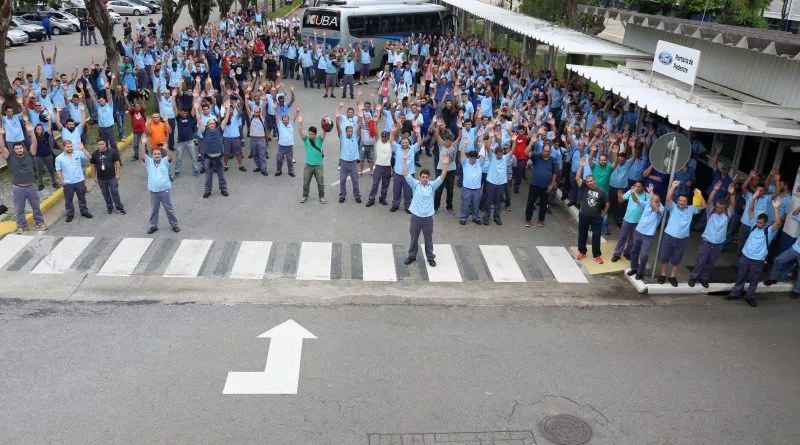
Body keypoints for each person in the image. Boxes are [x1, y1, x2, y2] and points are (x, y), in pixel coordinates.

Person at [726, 198, 782, 307]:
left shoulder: (768, 231)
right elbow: (750, 211)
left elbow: (778, 222)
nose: (758, 224)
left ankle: (750, 297)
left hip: (757, 261)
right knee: (741, 276)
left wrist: (776, 208)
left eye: (761, 223)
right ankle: (735, 293)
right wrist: (753, 198)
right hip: (745, 257)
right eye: (758, 221)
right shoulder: (753, 226)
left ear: (766, 223)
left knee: (754, 280)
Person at [402, 149, 450, 267]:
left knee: (428, 238)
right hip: (416, 217)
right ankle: (412, 255)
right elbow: (406, 173)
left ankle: (430, 257)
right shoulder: (415, 184)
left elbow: (442, 177)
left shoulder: (432, 185)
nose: (424, 179)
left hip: (428, 217)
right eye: (423, 177)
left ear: (429, 178)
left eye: (426, 177)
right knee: (414, 238)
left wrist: (446, 164)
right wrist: (403, 160)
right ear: (420, 177)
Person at [0, 120, 47, 233]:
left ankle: (39, 223)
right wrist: (1, 135)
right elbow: (2, 147)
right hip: (18, 188)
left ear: (23, 148)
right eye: (16, 148)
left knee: (36, 207)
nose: (19, 150)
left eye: (20, 148)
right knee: (19, 209)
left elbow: (34, 144)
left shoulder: (30, 155)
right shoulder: (10, 157)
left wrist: (31, 133)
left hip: (31, 187)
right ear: (14, 150)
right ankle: (22, 225)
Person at [657, 180, 704, 287]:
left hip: (682, 239)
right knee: (664, 257)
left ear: (687, 202)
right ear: (677, 201)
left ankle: (672, 276)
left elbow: (703, 206)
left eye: (684, 201)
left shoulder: (691, 209)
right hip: (669, 236)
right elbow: (668, 199)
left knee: (676, 258)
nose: (682, 202)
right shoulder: (673, 207)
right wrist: (673, 187)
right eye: (680, 200)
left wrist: (700, 195)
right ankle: (663, 274)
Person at [688, 182, 736, 288]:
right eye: (717, 207)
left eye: (721, 208)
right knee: (701, 260)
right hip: (707, 241)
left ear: (724, 208)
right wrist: (715, 190)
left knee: (710, 262)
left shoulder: (727, 215)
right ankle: (694, 277)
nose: (718, 209)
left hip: (719, 244)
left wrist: (732, 194)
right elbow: (709, 201)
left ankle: (704, 278)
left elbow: (733, 205)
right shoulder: (711, 212)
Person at [139, 137, 180, 234]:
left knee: (169, 209)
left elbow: (170, 157)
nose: (157, 155)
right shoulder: (149, 162)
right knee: (154, 209)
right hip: (154, 191)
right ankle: (153, 226)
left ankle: (174, 224)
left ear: (161, 155)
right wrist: (143, 144)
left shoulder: (165, 161)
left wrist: (165, 149)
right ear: (152, 155)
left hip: (164, 190)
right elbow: (142, 155)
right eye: (155, 154)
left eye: (158, 154)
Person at [195, 97, 232, 198]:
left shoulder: (220, 129)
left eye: (213, 123)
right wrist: (196, 109)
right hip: (208, 158)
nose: (212, 125)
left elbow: (226, 119)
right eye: (210, 123)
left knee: (222, 175)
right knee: (208, 176)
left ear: (215, 124)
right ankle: (208, 191)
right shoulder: (204, 131)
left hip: (219, 157)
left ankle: (223, 189)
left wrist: (228, 109)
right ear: (207, 125)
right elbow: (198, 120)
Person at [575, 157, 609, 263]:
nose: (589, 183)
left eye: (591, 181)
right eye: (588, 181)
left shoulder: (602, 192)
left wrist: (603, 214)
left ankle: (596, 255)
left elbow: (607, 204)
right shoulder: (584, 187)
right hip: (584, 216)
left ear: (594, 180)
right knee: (582, 235)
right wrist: (581, 166)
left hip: (596, 218)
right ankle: (582, 252)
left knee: (596, 236)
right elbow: (577, 178)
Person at [627, 184, 664, 280]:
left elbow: (656, 210)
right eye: (653, 200)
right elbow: (636, 200)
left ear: (659, 201)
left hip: (648, 235)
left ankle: (640, 272)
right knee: (634, 251)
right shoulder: (648, 203)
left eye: (656, 201)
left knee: (644, 255)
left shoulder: (661, 208)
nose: (653, 202)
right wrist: (633, 193)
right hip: (638, 231)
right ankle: (634, 268)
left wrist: (651, 198)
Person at [764, 206, 800, 298]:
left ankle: (797, 291)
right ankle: (773, 278)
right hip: (795, 248)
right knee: (778, 259)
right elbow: (793, 215)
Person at [55, 140, 93, 222]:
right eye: (68, 147)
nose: (70, 148)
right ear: (63, 147)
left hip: (79, 181)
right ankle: (70, 214)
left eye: (71, 146)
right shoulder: (59, 158)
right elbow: (58, 171)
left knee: (82, 198)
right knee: (68, 200)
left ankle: (84, 211)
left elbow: (90, 157)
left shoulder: (78, 153)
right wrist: (62, 181)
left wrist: (83, 149)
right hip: (68, 183)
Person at [524, 134, 557, 227]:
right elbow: (526, 152)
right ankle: (528, 219)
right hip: (534, 184)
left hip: (546, 186)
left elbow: (555, 173)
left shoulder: (553, 160)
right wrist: (531, 142)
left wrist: (551, 185)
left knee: (543, 204)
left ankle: (541, 220)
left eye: (548, 151)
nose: (546, 153)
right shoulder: (537, 156)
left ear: (550, 152)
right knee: (531, 202)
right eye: (545, 151)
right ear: (542, 150)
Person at [297, 109, 327, 203]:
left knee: (320, 183)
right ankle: (305, 196)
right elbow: (300, 132)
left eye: (312, 134)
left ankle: (321, 197)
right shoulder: (306, 139)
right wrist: (300, 123)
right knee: (306, 182)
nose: (310, 136)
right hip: (308, 165)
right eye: (309, 134)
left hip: (318, 165)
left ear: (315, 134)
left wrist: (323, 120)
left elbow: (324, 131)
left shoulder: (319, 139)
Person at [334, 102, 363, 203]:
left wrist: (360, 111)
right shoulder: (342, 136)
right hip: (344, 162)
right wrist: (337, 118)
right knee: (342, 181)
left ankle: (357, 196)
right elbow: (338, 127)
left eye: (351, 131)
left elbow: (359, 125)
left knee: (355, 181)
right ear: (346, 132)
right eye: (348, 131)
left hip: (353, 162)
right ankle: (342, 195)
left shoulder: (356, 136)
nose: (350, 132)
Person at [612, 180, 646, 262]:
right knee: (622, 237)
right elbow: (620, 201)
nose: (637, 188)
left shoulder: (646, 196)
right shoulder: (630, 191)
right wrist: (619, 197)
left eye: (639, 186)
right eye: (636, 186)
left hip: (638, 222)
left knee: (633, 239)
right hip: (627, 219)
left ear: (643, 188)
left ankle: (627, 252)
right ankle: (617, 254)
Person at [90, 139, 125, 215]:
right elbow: (93, 166)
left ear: (105, 144)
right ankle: (110, 207)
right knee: (105, 193)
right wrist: (94, 176)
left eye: (102, 144)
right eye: (99, 144)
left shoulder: (112, 152)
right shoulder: (95, 154)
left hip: (112, 177)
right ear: (97, 145)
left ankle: (119, 208)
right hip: (101, 179)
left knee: (115, 193)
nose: (101, 146)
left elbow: (117, 163)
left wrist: (118, 174)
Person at [366, 107, 392, 207]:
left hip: (388, 167)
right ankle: (371, 199)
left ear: (388, 137)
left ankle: (382, 198)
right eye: (383, 136)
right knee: (375, 184)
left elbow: (394, 133)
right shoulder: (378, 142)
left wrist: (396, 126)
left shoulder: (390, 143)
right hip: (379, 166)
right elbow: (376, 131)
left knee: (385, 185)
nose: (384, 138)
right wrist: (375, 121)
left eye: (386, 136)